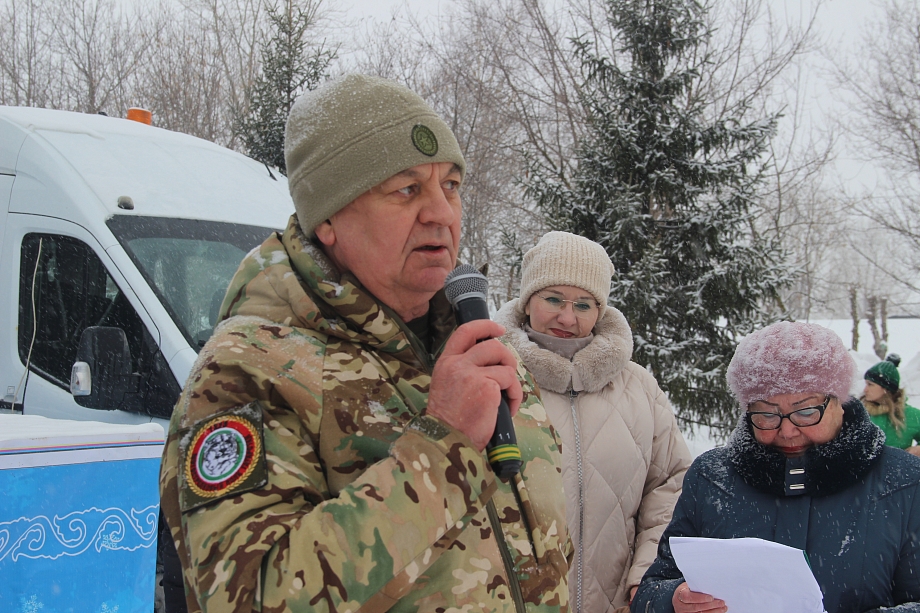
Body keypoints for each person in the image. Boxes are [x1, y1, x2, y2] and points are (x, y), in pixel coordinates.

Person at [158, 74, 571, 613]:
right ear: (328, 219)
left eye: (450, 185)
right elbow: (248, 598)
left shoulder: (480, 346)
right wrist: (442, 445)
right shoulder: (250, 370)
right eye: (406, 189)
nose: (442, 213)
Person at [631, 321, 920, 613]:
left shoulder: (903, 482)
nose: (787, 431)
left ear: (839, 402)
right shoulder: (712, 477)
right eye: (767, 414)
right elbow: (651, 591)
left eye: (806, 411)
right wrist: (673, 600)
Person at [495, 231, 691, 613]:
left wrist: (647, 578)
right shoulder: (491, 376)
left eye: (583, 304)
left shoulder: (639, 388)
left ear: (600, 311)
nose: (567, 317)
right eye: (553, 299)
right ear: (527, 300)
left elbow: (671, 485)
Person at [861, 354, 920, 455]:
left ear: (885, 388)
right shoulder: (859, 412)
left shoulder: (910, 415)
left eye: (870, 384)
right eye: (866, 384)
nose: (865, 390)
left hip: (898, 465)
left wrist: (918, 449)